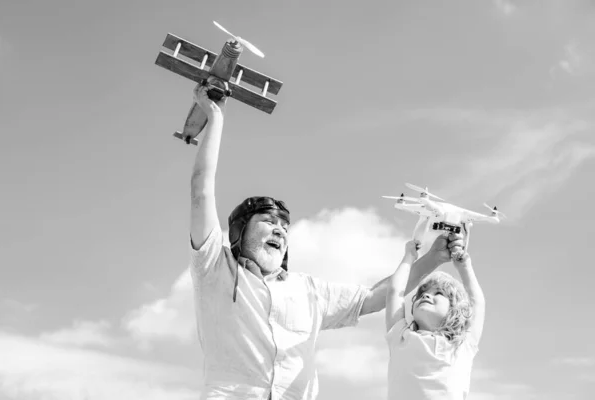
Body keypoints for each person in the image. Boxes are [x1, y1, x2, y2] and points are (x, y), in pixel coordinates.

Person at [187, 83, 465, 400]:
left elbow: (374, 298)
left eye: (284, 227)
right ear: (237, 232)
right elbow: (201, 191)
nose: (279, 231)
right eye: (267, 222)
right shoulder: (214, 269)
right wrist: (215, 116)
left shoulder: (309, 291)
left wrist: (433, 258)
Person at [385, 239, 486, 400]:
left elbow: (477, 303)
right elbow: (394, 291)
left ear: (456, 309)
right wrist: (408, 257)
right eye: (422, 293)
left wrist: (464, 267)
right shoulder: (400, 337)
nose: (426, 295)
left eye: (438, 293)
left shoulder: (461, 346)